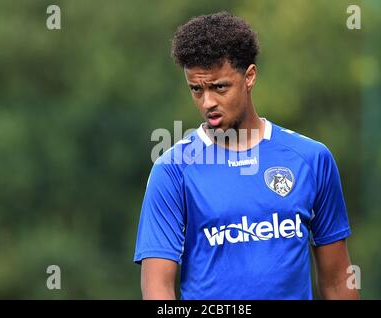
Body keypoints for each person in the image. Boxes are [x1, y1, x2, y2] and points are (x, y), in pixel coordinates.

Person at [134, 11, 360, 300]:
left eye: (219, 87)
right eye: (196, 89)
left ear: (249, 77)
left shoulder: (311, 159)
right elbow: (157, 289)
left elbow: (338, 280)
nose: (208, 102)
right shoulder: (172, 170)